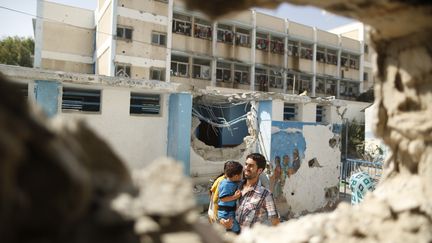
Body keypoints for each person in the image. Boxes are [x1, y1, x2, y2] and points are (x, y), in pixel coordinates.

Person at [220, 153, 280, 230]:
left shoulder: (265, 195)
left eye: (251, 166)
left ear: (260, 170)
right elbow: (222, 206)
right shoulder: (234, 186)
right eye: (246, 164)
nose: (246, 168)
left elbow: (275, 222)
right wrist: (222, 221)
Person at [217, 161, 243, 234]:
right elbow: (222, 198)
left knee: (232, 227)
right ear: (235, 176)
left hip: (229, 211)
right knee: (236, 229)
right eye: (240, 175)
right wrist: (235, 197)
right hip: (225, 212)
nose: (241, 177)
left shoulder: (232, 182)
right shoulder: (226, 185)